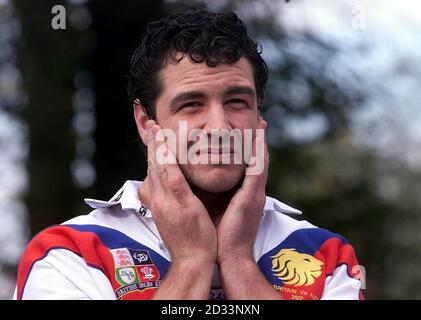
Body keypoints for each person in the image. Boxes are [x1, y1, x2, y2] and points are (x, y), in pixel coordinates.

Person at [14, 9, 364, 300]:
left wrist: (239, 262)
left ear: (259, 115)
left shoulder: (326, 255)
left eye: (237, 101)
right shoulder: (68, 254)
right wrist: (191, 262)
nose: (219, 127)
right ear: (145, 122)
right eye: (192, 104)